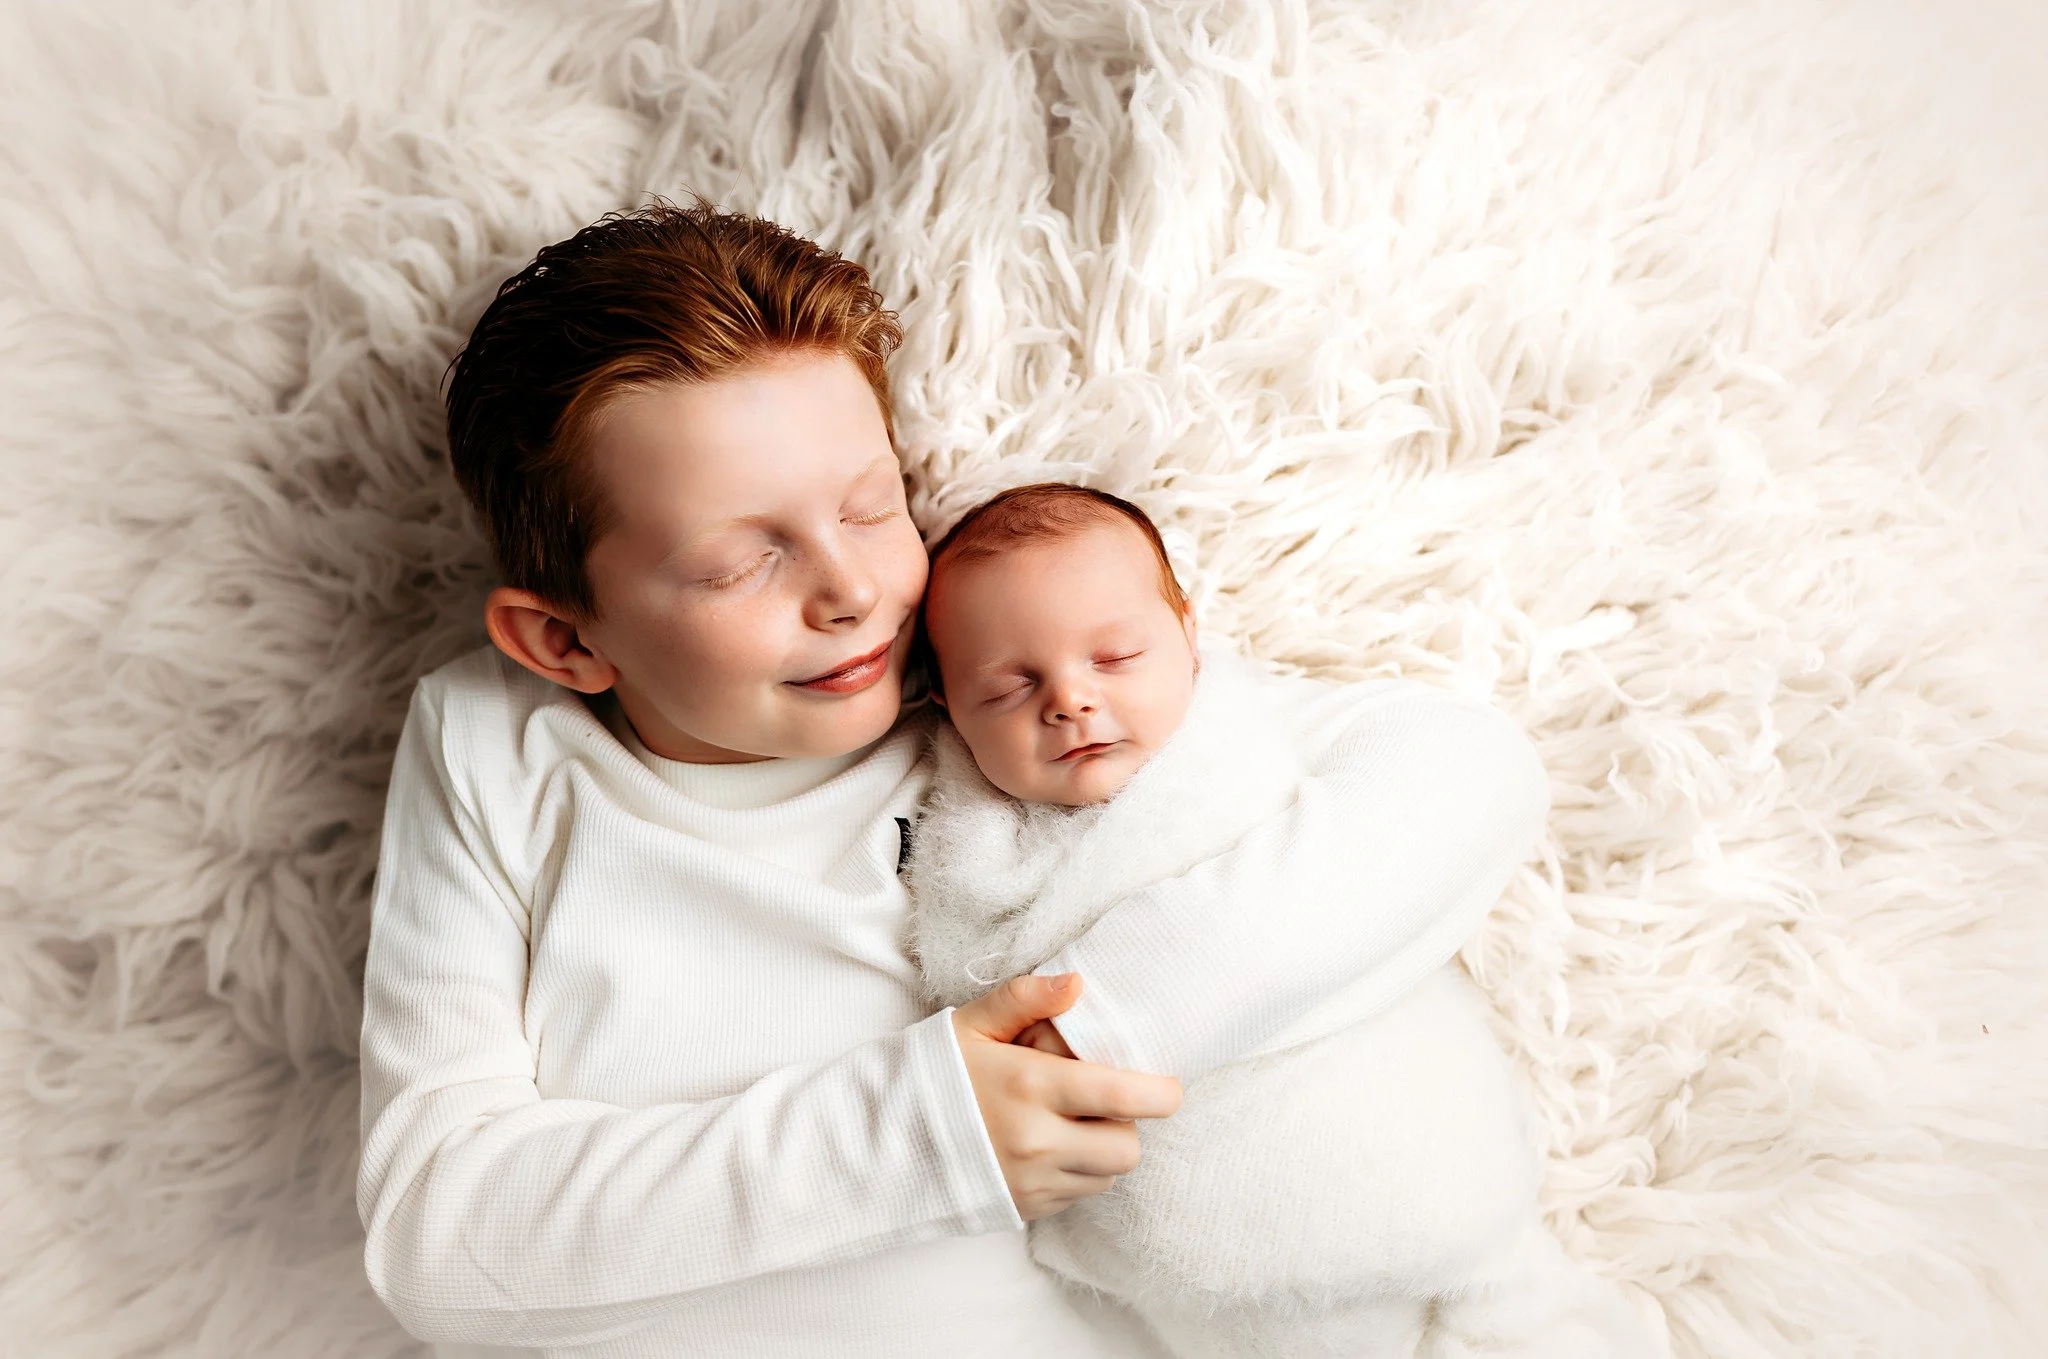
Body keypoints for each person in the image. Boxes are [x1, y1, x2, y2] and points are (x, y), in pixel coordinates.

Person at [355, 197, 1555, 1359]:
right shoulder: (491, 742)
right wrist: (926, 1131)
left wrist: (1105, 1031)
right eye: (739, 564)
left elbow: (1459, 773)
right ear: (566, 641)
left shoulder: (993, 692)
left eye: (873, 508)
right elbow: (441, 1238)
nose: (852, 591)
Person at [906, 483, 1662, 1358]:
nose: (1069, 699)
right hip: (1179, 1302)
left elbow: (1470, 773)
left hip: (1440, 1222)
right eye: (1007, 687)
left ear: (1189, 638)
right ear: (949, 711)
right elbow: (963, 992)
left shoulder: (1269, 738)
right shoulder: (963, 849)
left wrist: (1105, 1016)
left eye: (1114, 657)